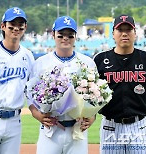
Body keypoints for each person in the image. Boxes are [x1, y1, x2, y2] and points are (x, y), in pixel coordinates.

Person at [94, 14, 146, 154]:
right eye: (120, 30)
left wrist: (144, 107)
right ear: (113, 34)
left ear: (135, 34)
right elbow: (90, 92)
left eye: (129, 29)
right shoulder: (100, 59)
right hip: (110, 125)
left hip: (139, 126)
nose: (124, 33)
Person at [27, 16, 96, 154]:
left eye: (70, 35)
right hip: (50, 130)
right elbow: (30, 95)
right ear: (53, 34)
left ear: (75, 36)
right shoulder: (41, 63)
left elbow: (95, 95)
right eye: (61, 34)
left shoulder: (87, 62)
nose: (65, 38)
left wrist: (92, 116)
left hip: (77, 130)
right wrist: (37, 114)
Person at [0, 7, 34, 154]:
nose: (16, 27)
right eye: (12, 23)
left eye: (20, 24)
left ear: (25, 27)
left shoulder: (28, 56)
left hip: (15, 121)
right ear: (3, 26)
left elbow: (32, 89)